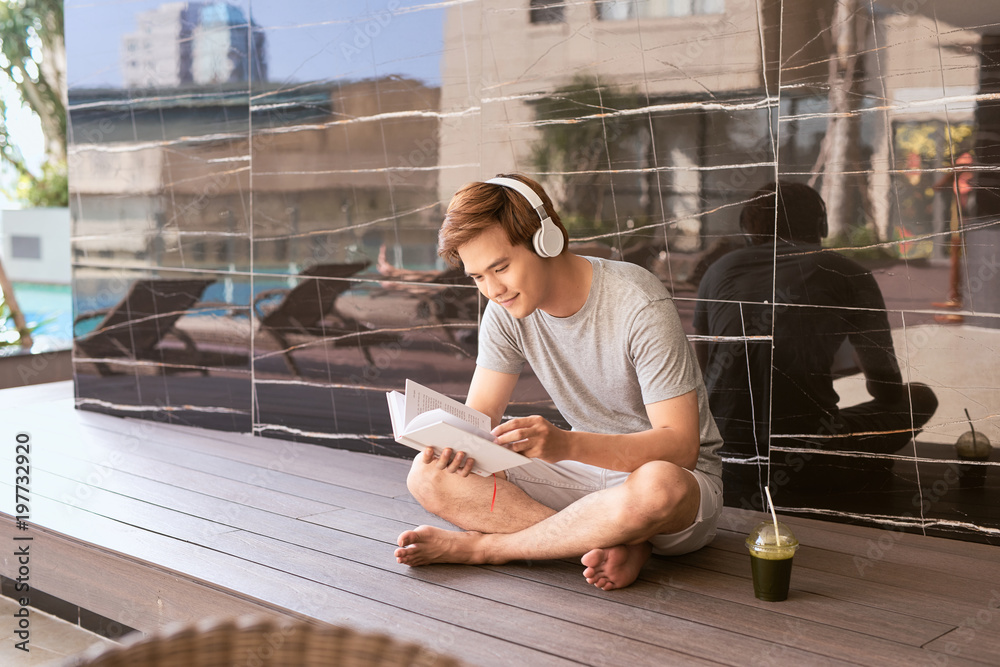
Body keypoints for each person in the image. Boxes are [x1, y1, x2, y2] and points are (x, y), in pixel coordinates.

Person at [393, 174, 724, 590]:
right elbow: (478, 418)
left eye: (501, 267)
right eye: (477, 277)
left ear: (547, 240)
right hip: (586, 481)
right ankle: (613, 541)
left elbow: (682, 448)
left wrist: (566, 444)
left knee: (659, 484)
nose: (492, 289)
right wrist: (458, 446)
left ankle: (488, 549)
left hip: (673, 487)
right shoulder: (504, 311)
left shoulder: (638, 302)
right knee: (426, 475)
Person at [693, 182, 938, 506]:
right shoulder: (850, 275)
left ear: (747, 228)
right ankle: (850, 470)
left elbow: (707, 374)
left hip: (724, 461)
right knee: (920, 397)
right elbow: (887, 390)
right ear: (821, 225)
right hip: (809, 458)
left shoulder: (718, 271)